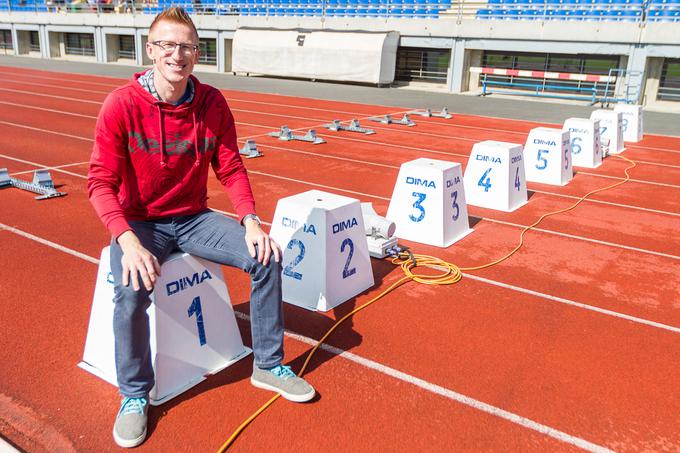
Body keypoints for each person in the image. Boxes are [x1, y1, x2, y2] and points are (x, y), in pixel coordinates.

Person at [87, 7, 315, 448]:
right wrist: (127, 239)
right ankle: (135, 395)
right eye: (168, 45)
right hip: (141, 222)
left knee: (266, 257)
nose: (179, 54)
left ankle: (267, 365)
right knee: (131, 286)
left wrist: (251, 219)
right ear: (151, 50)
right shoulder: (121, 105)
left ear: (198, 53)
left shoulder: (211, 103)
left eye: (188, 46)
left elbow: (229, 165)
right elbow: (99, 182)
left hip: (192, 217)